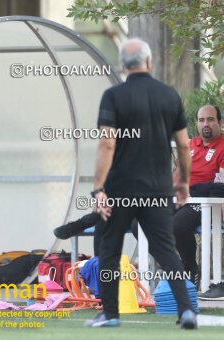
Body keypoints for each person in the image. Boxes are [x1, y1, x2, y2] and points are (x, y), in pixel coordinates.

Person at [84, 38, 197, 329]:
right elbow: (183, 146)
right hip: (158, 190)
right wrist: (183, 182)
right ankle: (186, 311)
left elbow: (107, 144)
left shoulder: (113, 96)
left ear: (122, 65)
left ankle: (110, 314)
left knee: (109, 248)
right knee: (165, 250)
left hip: (120, 189)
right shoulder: (169, 96)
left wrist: (98, 188)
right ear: (149, 62)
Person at [173, 105, 224, 299]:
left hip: (205, 201)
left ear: (220, 122)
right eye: (202, 120)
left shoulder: (222, 145)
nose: (206, 124)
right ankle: (175, 268)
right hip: (181, 196)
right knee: (140, 223)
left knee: (177, 226)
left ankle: (190, 270)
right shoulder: (191, 144)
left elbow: (222, 185)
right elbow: (176, 176)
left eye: (210, 119)